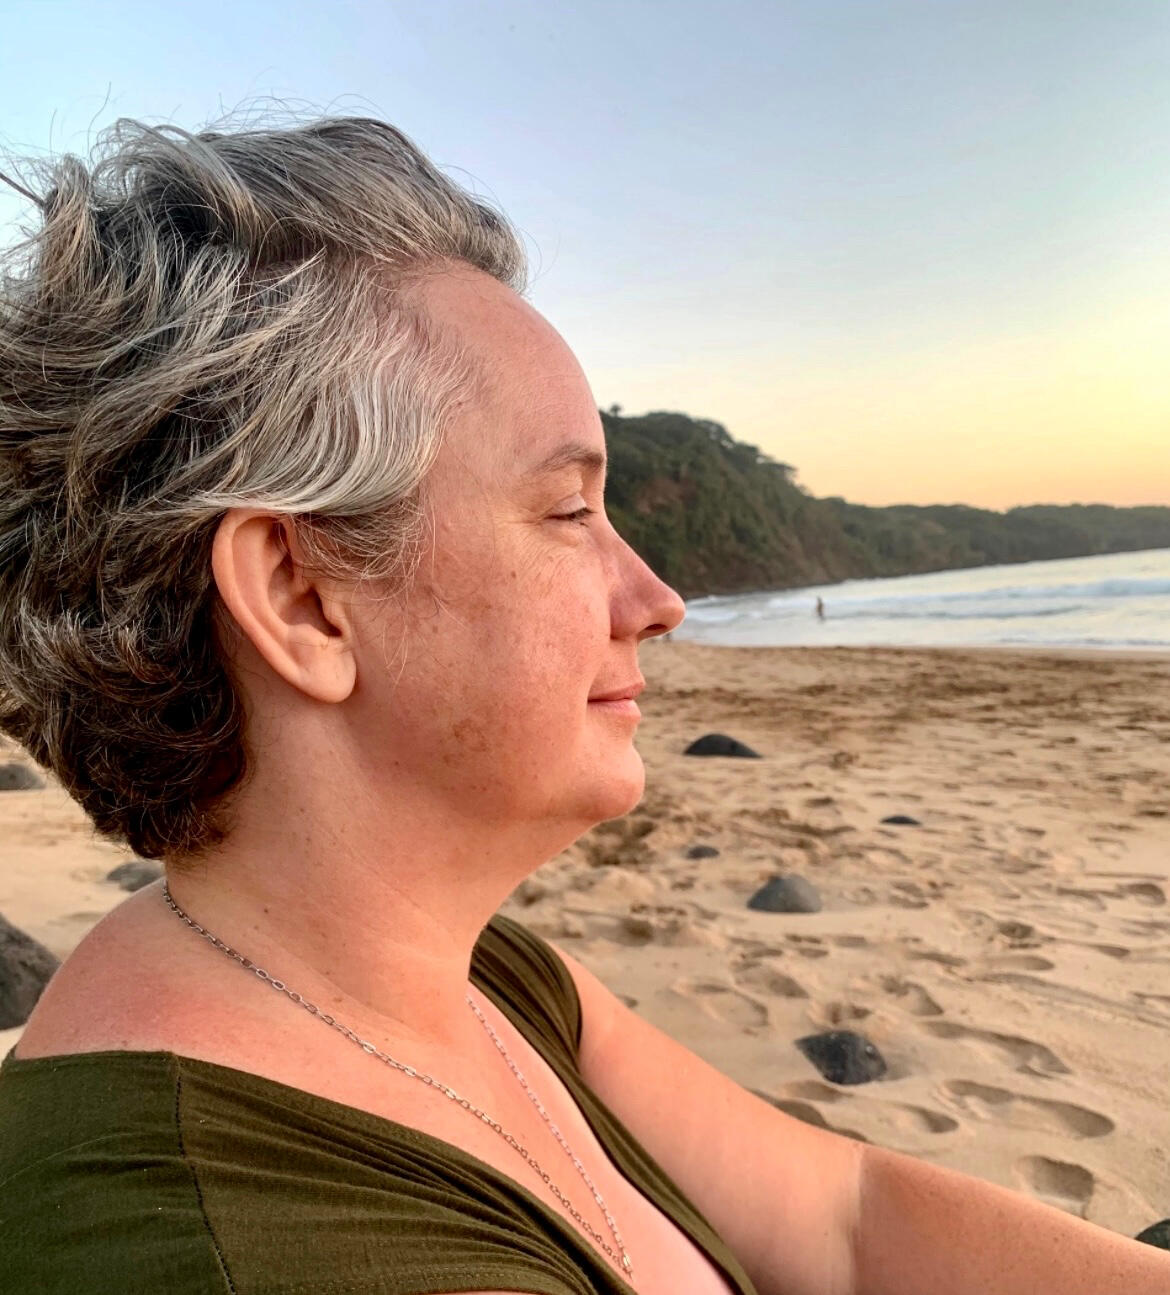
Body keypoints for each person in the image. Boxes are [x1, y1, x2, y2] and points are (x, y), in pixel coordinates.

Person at [0, 115, 1166, 1295]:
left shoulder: (477, 977)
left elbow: (843, 1215)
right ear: (303, 600)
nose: (657, 600)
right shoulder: (250, 1243)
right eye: (569, 511)